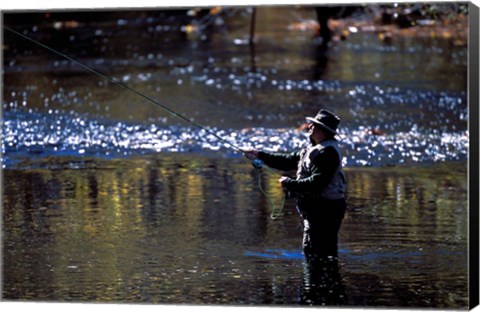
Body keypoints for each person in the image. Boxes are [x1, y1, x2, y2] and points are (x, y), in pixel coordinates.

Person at [244, 109, 347, 262]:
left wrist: (289, 183)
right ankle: (320, 282)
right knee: (314, 251)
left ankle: (319, 283)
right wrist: (259, 155)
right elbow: (287, 161)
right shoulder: (312, 148)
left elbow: (316, 184)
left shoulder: (327, 153)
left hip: (326, 210)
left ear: (322, 130)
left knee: (319, 252)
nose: (309, 126)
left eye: (313, 125)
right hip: (317, 209)